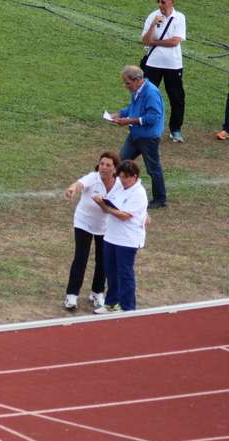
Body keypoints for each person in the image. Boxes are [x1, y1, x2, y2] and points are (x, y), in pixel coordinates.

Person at [63, 151, 121, 310]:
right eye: (102, 164)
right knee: (81, 257)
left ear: (115, 169)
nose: (104, 167)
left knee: (103, 260)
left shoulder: (119, 185)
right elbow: (80, 184)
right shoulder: (93, 177)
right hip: (84, 222)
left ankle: (97, 292)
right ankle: (72, 295)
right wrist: (72, 188)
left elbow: (127, 203)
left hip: (105, 226)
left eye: (108, 165)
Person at [93, 160, 149, 314]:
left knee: (124, 272)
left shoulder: (138, 193)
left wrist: (107, 207)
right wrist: (102, 203)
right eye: (120, 176)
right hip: (111, 236)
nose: (121, 180)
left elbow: (125, 216)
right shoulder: (119, 187)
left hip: (128, 239)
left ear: (134, 177)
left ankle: (128, 307)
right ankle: (111, 303)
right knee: (110, 270)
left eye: (125, 177)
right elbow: (109, 207)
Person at [110, 65, 167, 210]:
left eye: (128, 83)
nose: (126, 87)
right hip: (135, 135)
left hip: (148, 138)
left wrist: (128, 121)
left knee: (153, 169)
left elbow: (153, 117)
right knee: (119, 163)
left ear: (137, 80)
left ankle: (160, 198)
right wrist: (120, 114)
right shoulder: (137, 90)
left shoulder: (151, 93)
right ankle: (114, 192)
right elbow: (134, 108)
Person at [141, 0, 186, 143]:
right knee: (146, 95)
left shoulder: (179, 18)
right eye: (158, 1)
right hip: (153, 63)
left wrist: (154, 42)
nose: (160, 5)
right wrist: (153, 24)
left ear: (172, 2)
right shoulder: (152, 16)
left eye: (163, 2)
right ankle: (145, 126)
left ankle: (175, 129)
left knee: (176, 97)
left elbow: (174, 42)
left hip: (173, 64)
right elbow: (146, 41)